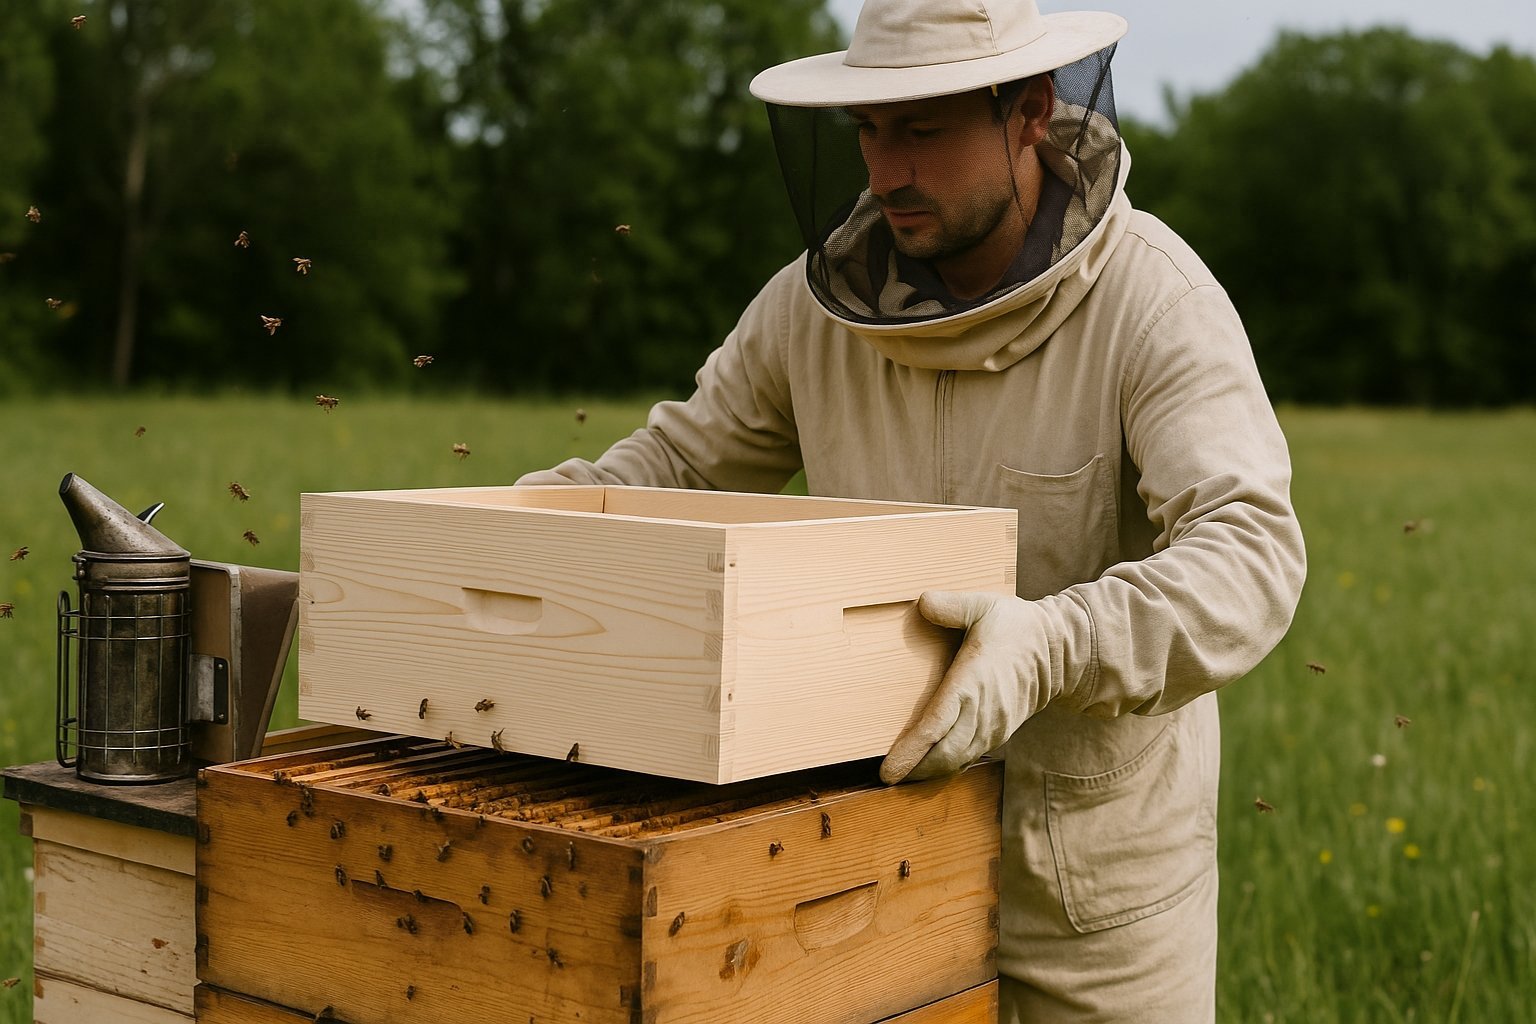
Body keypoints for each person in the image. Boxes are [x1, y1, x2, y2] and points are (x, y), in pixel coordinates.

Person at [518, 0, 1306, 1019]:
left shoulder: (1153, 300)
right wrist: (538, 519)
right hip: (860, 875)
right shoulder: (811, 312)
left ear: (1028, 113)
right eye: (869, 130)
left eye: (923, 130)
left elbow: (1248, 555)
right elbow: (679, 459)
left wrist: (1052, 645)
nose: (887, 171)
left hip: (1092, 901)